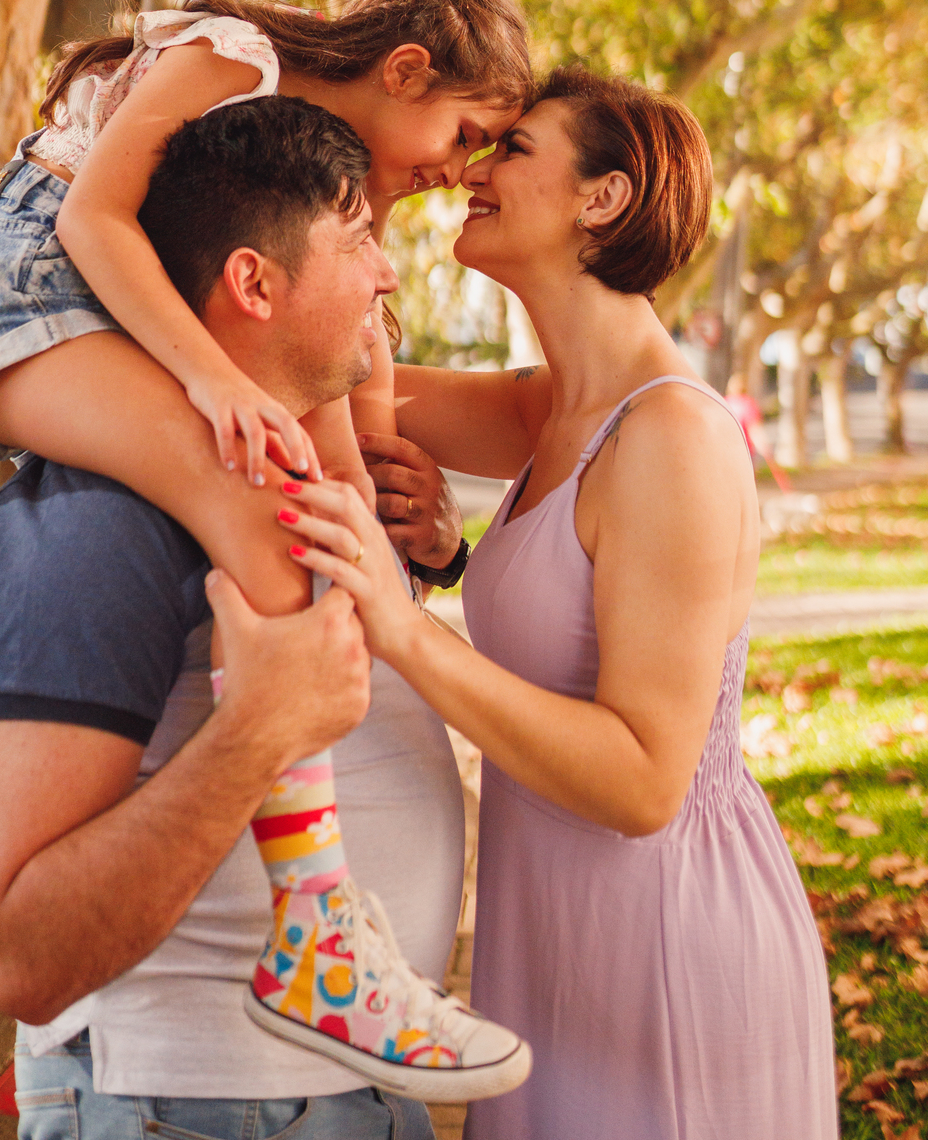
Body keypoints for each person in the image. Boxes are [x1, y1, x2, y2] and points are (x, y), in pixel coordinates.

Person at [0, 0, 533, 1081]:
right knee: (242, 482)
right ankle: (314, 928)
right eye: (470, 128)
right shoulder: (237, 61)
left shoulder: (345, 170)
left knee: (282, 493)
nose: (467, 164)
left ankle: (323, 931)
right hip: (25, 293)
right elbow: (90, 218)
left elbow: (359, 369)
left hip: (114, 298)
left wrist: (391, 533)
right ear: (405, 72)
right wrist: (218, 385)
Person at [275, 66, 838, 1139]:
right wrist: (373, 185)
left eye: (513, 149)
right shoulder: (552, 408)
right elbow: (323, 373)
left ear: (603, 198)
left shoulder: (671, 433)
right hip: (554, 940)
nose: (477, 170)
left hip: (666, 944)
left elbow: (642, 781)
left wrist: (404, 630)